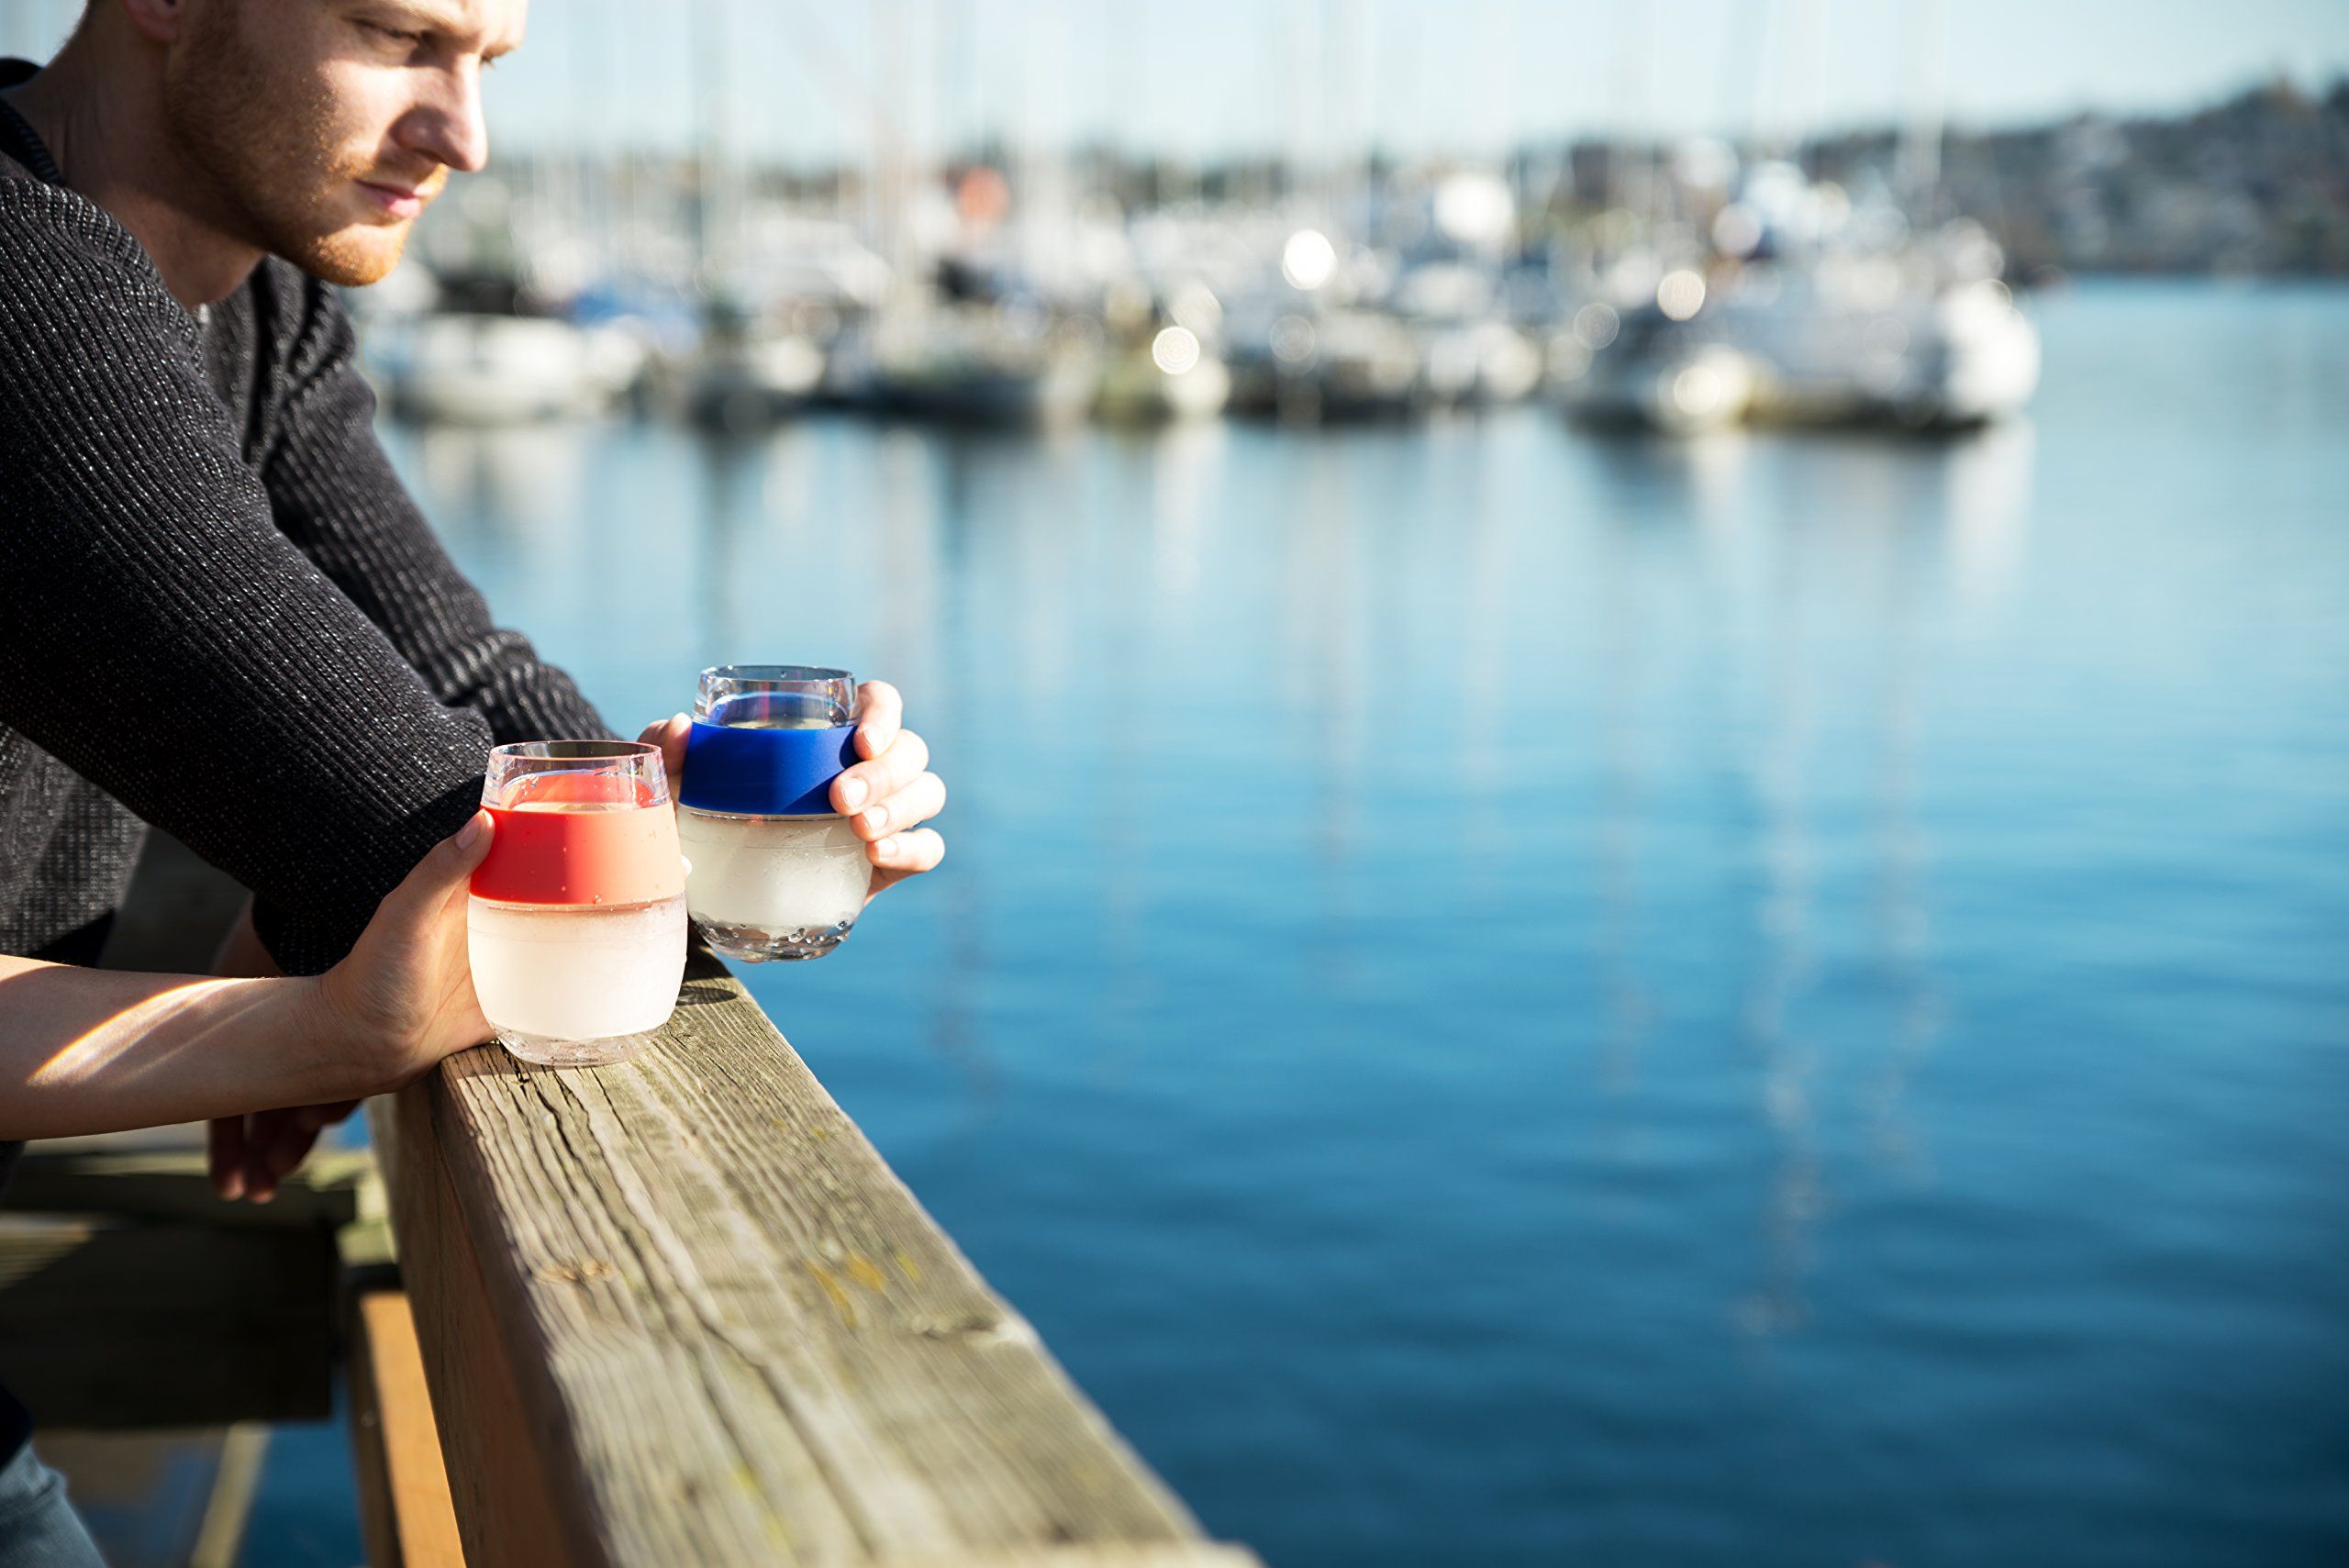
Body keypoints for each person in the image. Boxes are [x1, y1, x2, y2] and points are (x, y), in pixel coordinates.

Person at [0, 0, 945, 1555]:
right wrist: (312, 989)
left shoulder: (255, 316)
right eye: (397, 36)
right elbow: (440, 842)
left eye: (486, 63)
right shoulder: (25, 287)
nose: (466, 135)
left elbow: (470, 694)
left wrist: (745, 806)